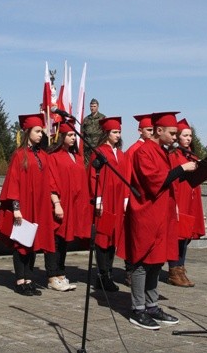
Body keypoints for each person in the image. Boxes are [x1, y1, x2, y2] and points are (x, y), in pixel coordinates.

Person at [125, 111, 197, 330]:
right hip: (146, 213)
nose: (175, 137)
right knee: (142, 261)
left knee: (157, 261)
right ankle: (138, 309)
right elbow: (153, 181)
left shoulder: (163, 151)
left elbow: (168, 179)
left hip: (161, 213)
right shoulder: (143, 151)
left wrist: (190, 172)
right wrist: (180, 169)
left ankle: (152, 305)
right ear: (159, 131)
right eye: (172, 133)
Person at [0, 113, 56, 296]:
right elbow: (13, 182)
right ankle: (20, 280)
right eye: (37, 131)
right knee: (22, 243)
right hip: (24, 205)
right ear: (28, 132)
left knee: (33, 243)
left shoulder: (43, 155)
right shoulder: (19, 155)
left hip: (39, 205)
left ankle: (29, 278)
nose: (40, 135)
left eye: (42, 132)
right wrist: (16, 208)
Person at [45, 119, 91, 291]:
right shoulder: (53, 157)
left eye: (74, 135)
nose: (73, 138)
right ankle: (51, 276)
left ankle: (60, 273)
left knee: (64, 240)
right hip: (57, 203)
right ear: (61, 136)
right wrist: (56, 203)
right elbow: (50, 181)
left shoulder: (77, 157)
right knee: (54, 240)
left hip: (72, 205)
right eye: (70, 135)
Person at [88, 116, 129, 293]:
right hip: (104, 201)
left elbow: (127, 177)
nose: (118, 135)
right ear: (106, 133)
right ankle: (102, 275)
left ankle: (109, 274)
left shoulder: (121, 154)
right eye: (114, 132)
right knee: (103, 237)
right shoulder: (99, 152)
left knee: (113, 237)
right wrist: (98, 199)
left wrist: (126, 198)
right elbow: (92, 176)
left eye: (119, 132)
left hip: (118, 201)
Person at [168, 118, 205, 287]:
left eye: (190, 135)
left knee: (186, 236)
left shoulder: (191, 155)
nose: (188, 138)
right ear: (178, 137)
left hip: (191, 199)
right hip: (179, 198)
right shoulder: (174, 155)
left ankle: (181, 268)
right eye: (185, 135)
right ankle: (174, 270)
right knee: (178, 234)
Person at [122, 113, 154, 286]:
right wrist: (126, 199)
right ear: (140, 131)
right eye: (149, 130)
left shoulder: (154, 149)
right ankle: (130, 272)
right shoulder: (134, 150)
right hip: (136, 199)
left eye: (153, 130)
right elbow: (127, 175)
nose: (151, 133)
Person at [81, 98, 106, 165]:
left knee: (97, 164)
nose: (92, 108)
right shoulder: (86, 119)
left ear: (98, 107)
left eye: (94, 106)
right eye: (91, 106)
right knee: (87, 165)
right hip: (87, 146)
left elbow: (106, 132)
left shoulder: (103, 118)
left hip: (97, 146)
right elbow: (82, 132)